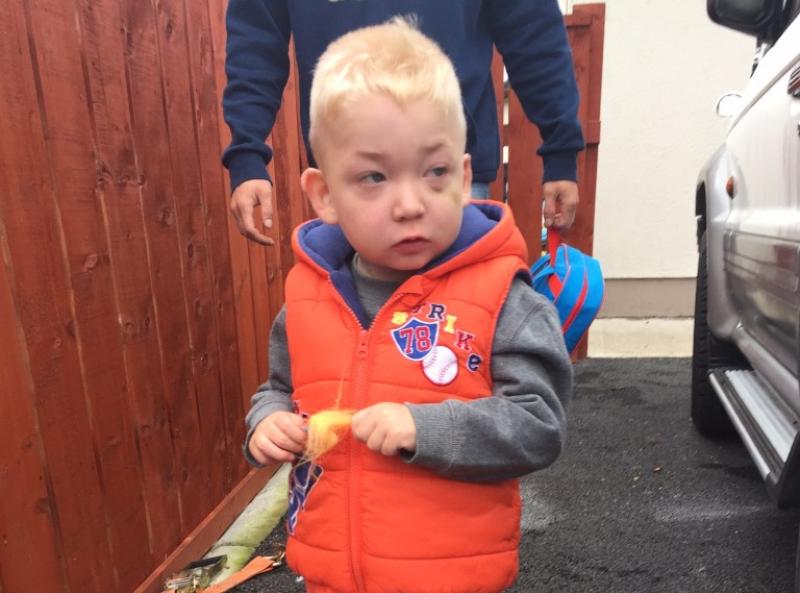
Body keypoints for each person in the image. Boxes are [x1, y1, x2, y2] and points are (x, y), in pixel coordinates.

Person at [243, 19, 573, 593]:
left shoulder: (502, 296)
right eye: (373, 176)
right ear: (324, 195)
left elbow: (538, 424)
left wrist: (426, 428)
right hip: (329, 573)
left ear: (466, 177)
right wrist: (265, 423)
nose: (410, 203)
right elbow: (280, 388)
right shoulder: (307, 296)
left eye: (435, 172)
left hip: (453, 578)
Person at [223, 0, 585, 246]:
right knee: (350, 323)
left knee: (467, 325)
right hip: (353, 174)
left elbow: (532, 31)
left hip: (446, 170)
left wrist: (561, 149)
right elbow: (257, 42)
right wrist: (247, 154)